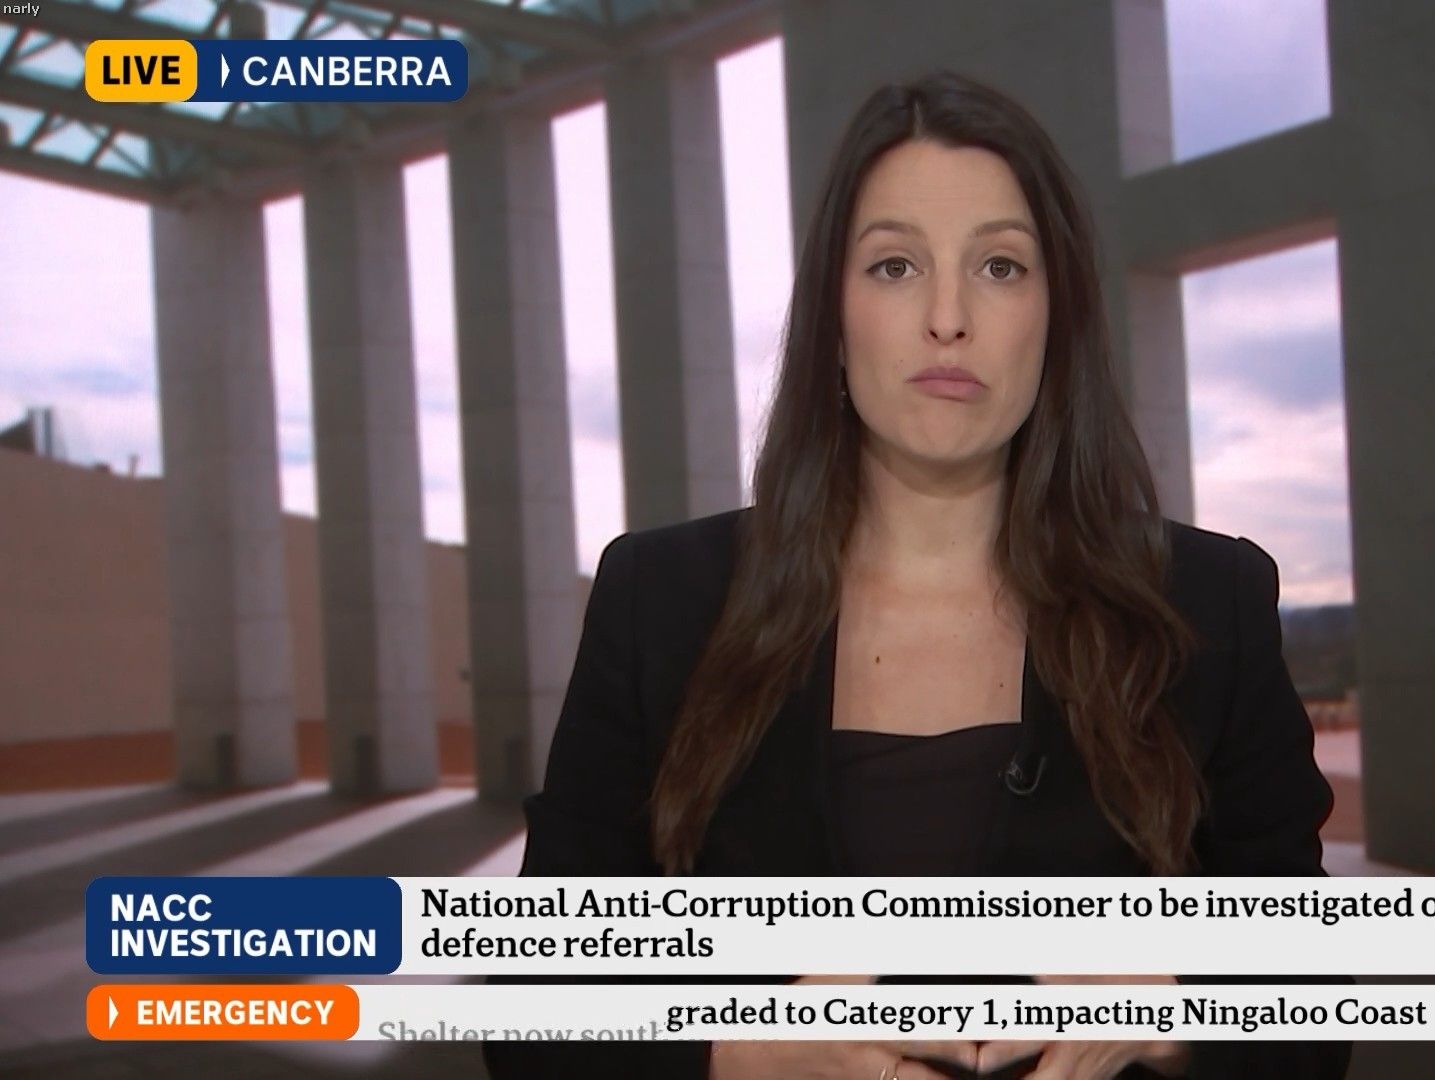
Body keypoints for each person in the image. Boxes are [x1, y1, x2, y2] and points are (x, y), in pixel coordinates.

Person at [482, 69, 1351, 1079]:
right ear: (833, 315)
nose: (948, 316)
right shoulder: (660, 600)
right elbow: (534, 1017)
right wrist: (745, 1053)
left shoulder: (1208, 604)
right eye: (895, 265)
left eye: (1001, 266)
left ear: (1056, 317)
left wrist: (1172, 1012)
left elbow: (1311, 1017)